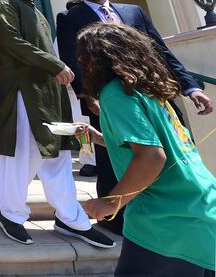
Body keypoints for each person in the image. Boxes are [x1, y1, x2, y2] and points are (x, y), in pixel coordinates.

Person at [56, 0, 213, 234]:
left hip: (152, 93)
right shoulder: (71, 18)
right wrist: (89, 96)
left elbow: (160, 51)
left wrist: (191, 88)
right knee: (112, 157)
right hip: (107, 97)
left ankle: (177, 209)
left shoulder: (133, 12)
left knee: (174, 144)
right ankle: (116, 218)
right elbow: (73, 59)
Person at [0, 0, 114, 248]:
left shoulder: (37, 13)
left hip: (50, 95)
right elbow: (12, 43)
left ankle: (71, 218)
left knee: (58, 156)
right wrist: (55, 64)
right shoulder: (3, 6)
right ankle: (10, 213)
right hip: (22, 93)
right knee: (22, 154)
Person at [75, 23, 216, 276]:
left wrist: (110, 202)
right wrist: (100, 138)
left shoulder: (114, 93)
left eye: (84, 53)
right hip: (201, 211)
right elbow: (155, 144)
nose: (79, 60)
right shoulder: (149, 88)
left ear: (100, 56)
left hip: (165, 223)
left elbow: (152, 156)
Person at [55, 0, 97, 177]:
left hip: (99, 88)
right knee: (82, 127)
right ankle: (89, 160)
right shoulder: (63, 36)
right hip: (76, 91)